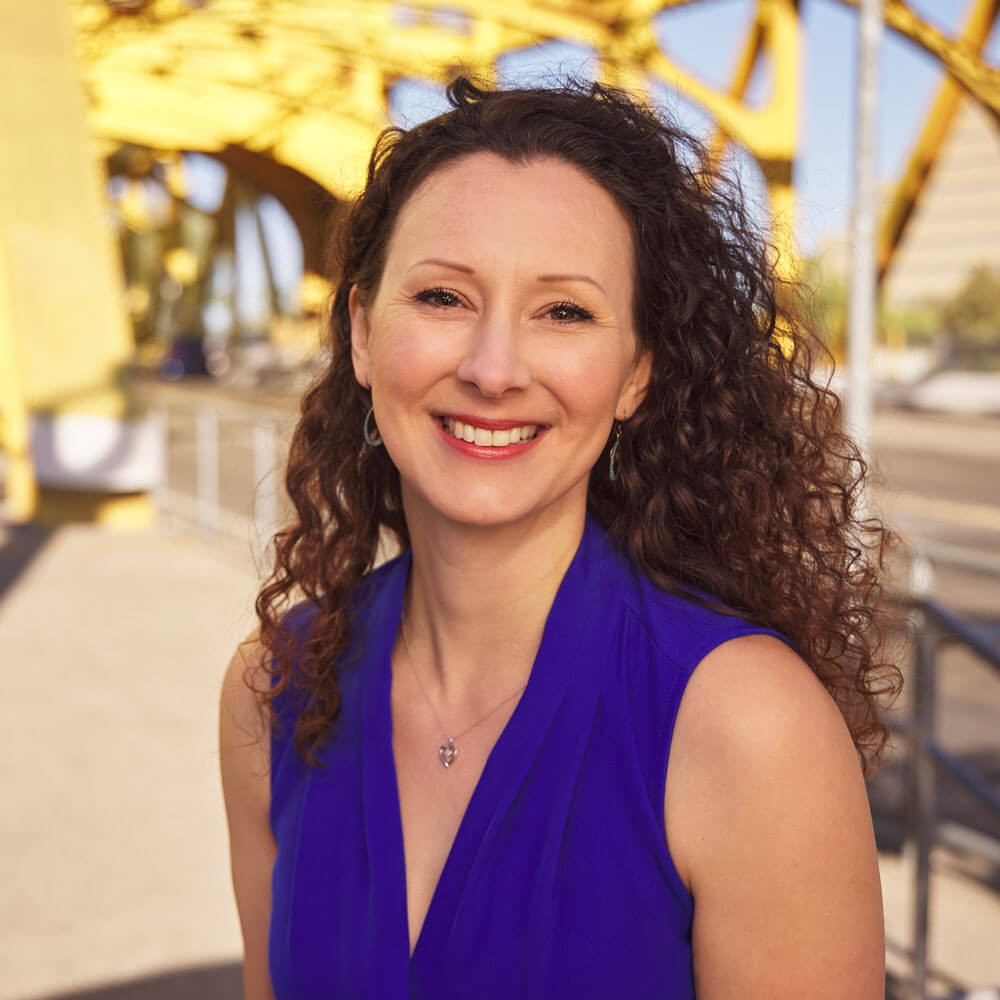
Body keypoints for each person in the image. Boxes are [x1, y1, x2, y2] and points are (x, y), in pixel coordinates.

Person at [220, 74, 900, 999]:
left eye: (565, 312)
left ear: (637, 376)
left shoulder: (749, 731)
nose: (494, 369)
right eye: (443, 298)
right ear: (362, 335)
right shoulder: (273, 687)